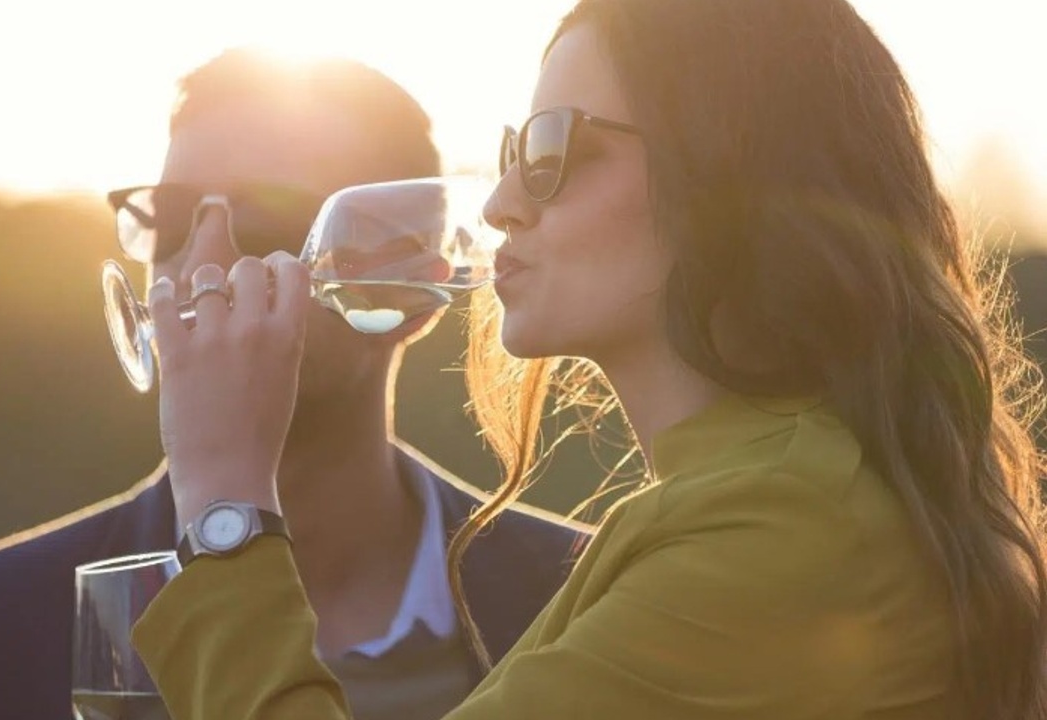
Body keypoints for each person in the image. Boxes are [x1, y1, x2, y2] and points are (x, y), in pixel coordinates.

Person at [127, 1, 1047, 719]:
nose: (500, 204)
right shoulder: (756, 498)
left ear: (727, 178)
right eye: (511, 152)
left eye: (552, 149)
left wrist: (223, 499)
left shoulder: (782, 533)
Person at [0, 48, 586, 720]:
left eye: (268, 219)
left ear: (416, 288)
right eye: (172, 217)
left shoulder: (583, 594)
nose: (199, 268)